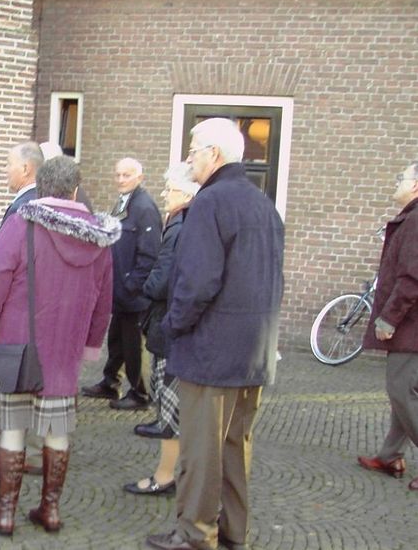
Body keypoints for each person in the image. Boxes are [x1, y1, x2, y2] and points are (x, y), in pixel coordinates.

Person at [145, 118, 284, 550]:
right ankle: (232, 533)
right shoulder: (264, 204)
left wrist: (173, 327)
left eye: (193, 150)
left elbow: (196, 283)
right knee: (233, 450)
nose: (189, 158)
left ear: (215, 155)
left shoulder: (209, 203)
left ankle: (194, 535)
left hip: (211, 354)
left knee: (201, 452)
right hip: (253, 353)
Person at [0, 156, 117, 536]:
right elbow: (104, 301)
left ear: (39, 187)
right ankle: (50, 510)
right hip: (65, 347)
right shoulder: (99, 236)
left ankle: (5, 514)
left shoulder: (21, 225)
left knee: (13, 428)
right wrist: (91, 344)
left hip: (20, 346)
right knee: (57, 429)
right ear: (73, 190)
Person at [123, 164, 199, 497]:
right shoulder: (186, 222)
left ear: (186, 193)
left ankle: (165, 476)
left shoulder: (180, 225)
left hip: (169, 327)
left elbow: (162, 275)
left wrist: (144, 287)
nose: (165, 194)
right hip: (171, 324)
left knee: (170, 408)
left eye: (170, 189)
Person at [81, 157, 162, 410]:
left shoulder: (145, 207)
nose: (120, 180)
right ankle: (110, 382)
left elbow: (149, 254)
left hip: (132, 292)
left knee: (133, 344)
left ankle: (140, 394)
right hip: (119, 289)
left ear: (140, 177)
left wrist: (131, 285)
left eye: (126, 175)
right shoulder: (124, 202)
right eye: (117, 175)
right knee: (116, 338)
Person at [356, 160, 418, 492]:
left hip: (411, 328)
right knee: (404, 394)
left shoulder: (416, 221)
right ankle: (390, 455)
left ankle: (391, 455)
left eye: (402, 177)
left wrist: (389, 318)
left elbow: (411, 278)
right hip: (411, 327)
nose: (397, 182)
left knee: (402, 392)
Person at [1, 142, 44, 224]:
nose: (5, 170)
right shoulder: (47, 203)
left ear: (25, 169)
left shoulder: (20, 209)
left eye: (9, 164)